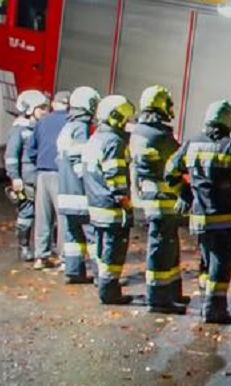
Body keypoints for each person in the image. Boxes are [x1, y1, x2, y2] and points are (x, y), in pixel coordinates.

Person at [166, 99, 231, 325]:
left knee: (207, 262)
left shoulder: (190, 144)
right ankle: (215, 310)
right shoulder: (230, 145)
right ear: (227, 122)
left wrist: (186, 193)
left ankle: (206, 305)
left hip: (199, 217)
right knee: (221, 264)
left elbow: (170, 171)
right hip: (225, 216)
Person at [129, 85, 189, 314]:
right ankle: (159, 299)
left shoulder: (140, 131)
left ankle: (172, 292)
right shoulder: (158, 135)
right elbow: (179, 159)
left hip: (155, 197)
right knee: (161, 248)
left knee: (168, 246)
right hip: (161, 198)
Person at [83, 95, 136, 305]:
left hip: (95, 204)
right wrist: (125, 201)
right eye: (125, 119)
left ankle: (105, 287)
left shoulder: (95, 138)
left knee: (101, 248)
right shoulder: (113, 141)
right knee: (113, 251)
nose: (127, 123)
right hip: (111, 207)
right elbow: (115, 176)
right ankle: (110, 292)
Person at [55, 87, 101, 283]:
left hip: (65, 192)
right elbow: (80, 162)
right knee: (92, 235)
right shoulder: (80, 128)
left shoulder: (67, 127)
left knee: (72, 234)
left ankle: (73, 272)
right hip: (80, 193)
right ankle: (101, 275)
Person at [3, 90, 50, 260]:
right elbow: (11, 156)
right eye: (41, 108)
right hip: (27, 178)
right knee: (26, 214)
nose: (45, 111)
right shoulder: (20, 130)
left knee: (45, 214)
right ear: (30, 109)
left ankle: (45, 248)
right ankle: (23, 247)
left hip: (41, 177)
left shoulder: (40, 127)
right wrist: (15, 177)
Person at [30, 91, 70, 267]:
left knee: (42, 217)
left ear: (54, 104)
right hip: (62, 175)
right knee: (63, 219)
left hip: (43, 174)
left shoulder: (42, 121)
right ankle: (63, 258)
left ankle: (41, 256)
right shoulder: (71, 122)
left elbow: (32, 149)